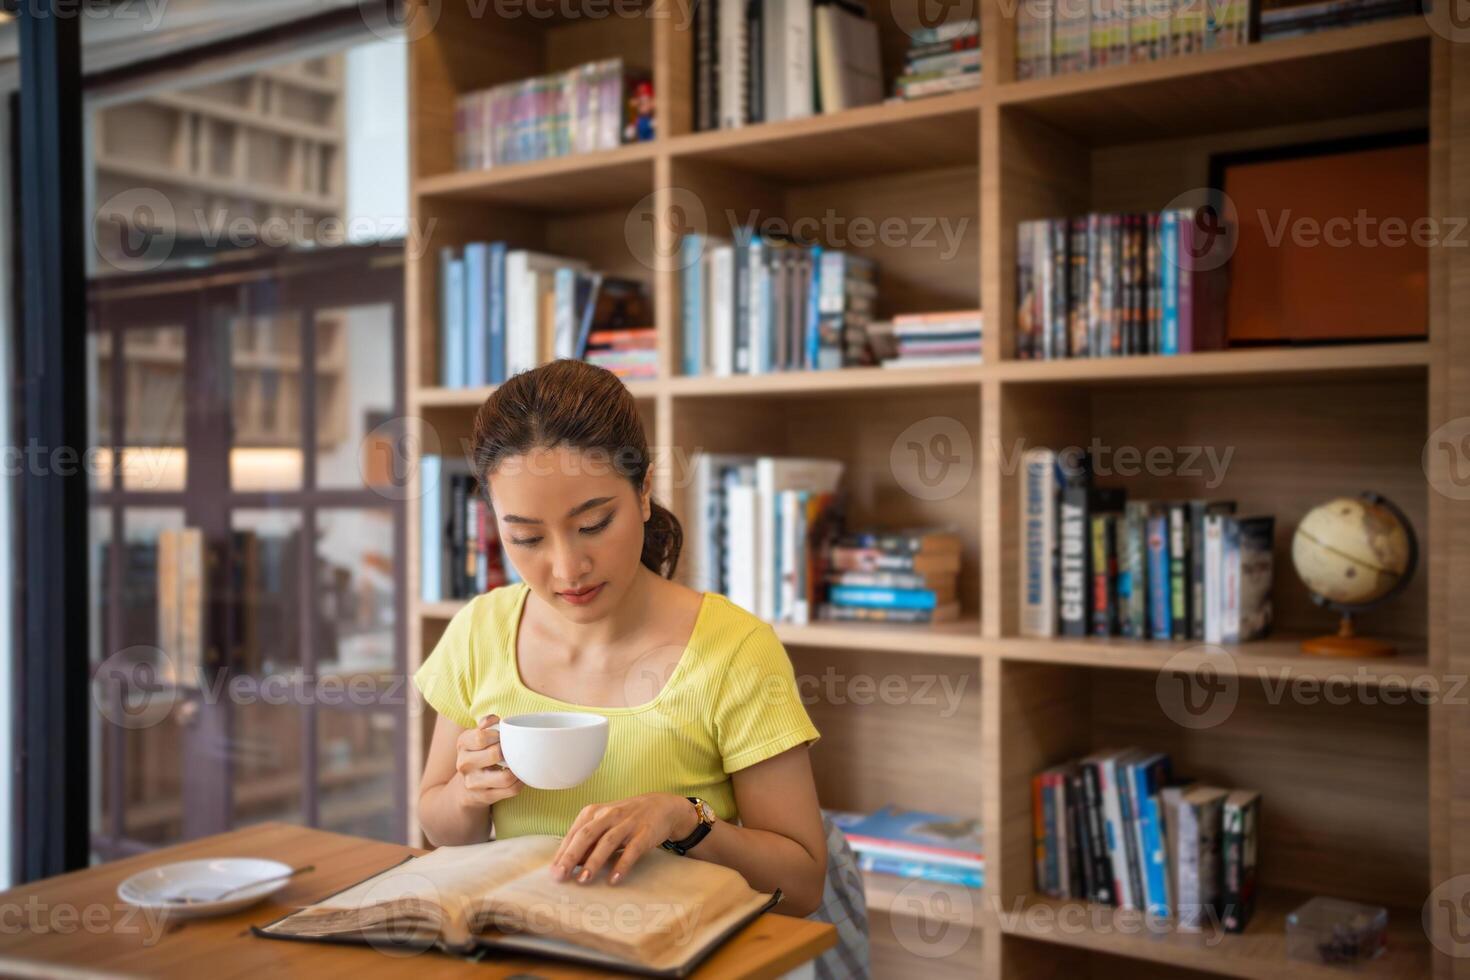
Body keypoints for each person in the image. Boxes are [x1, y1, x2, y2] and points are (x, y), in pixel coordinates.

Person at [413, 358, 832, 918]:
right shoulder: (479, 630)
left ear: (643, 492)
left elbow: (802, 884)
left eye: (593, 525)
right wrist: (468, 793)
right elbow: (440, 830)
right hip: (523, 939)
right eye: (526, 537)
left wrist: (684, 819)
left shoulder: (735, 650)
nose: (567, 569)